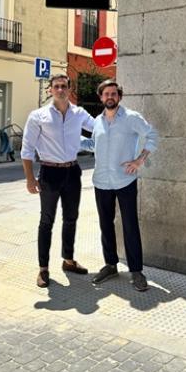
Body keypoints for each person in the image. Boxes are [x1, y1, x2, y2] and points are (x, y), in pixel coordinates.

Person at [83, 79, 158, 291]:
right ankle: (110, 265)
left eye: (114, 93)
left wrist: (140, 159)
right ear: (101, 97)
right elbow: (94, 145)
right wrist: (70, 140)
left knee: (130, 225)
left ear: (119, 97)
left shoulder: (131, 118)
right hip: (101, 181)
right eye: (106, 94)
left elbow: (152, 135)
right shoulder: (97, 121)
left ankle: (136, 271)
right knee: (105, 224)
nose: (110, 97)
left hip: (125, 180)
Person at [21, 74, 95, 288]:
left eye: (64, 86)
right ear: (50, 90)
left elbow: (99, 127)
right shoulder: (38, 116)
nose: (60, 90)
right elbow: (27, 149)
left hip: (72, 172)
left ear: (70, 90)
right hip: (49, 173)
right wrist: (30, 178)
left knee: (71, 218)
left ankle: (68, 260)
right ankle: (43, 268)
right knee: (47, 221)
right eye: (57, 86)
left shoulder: (79, 114)